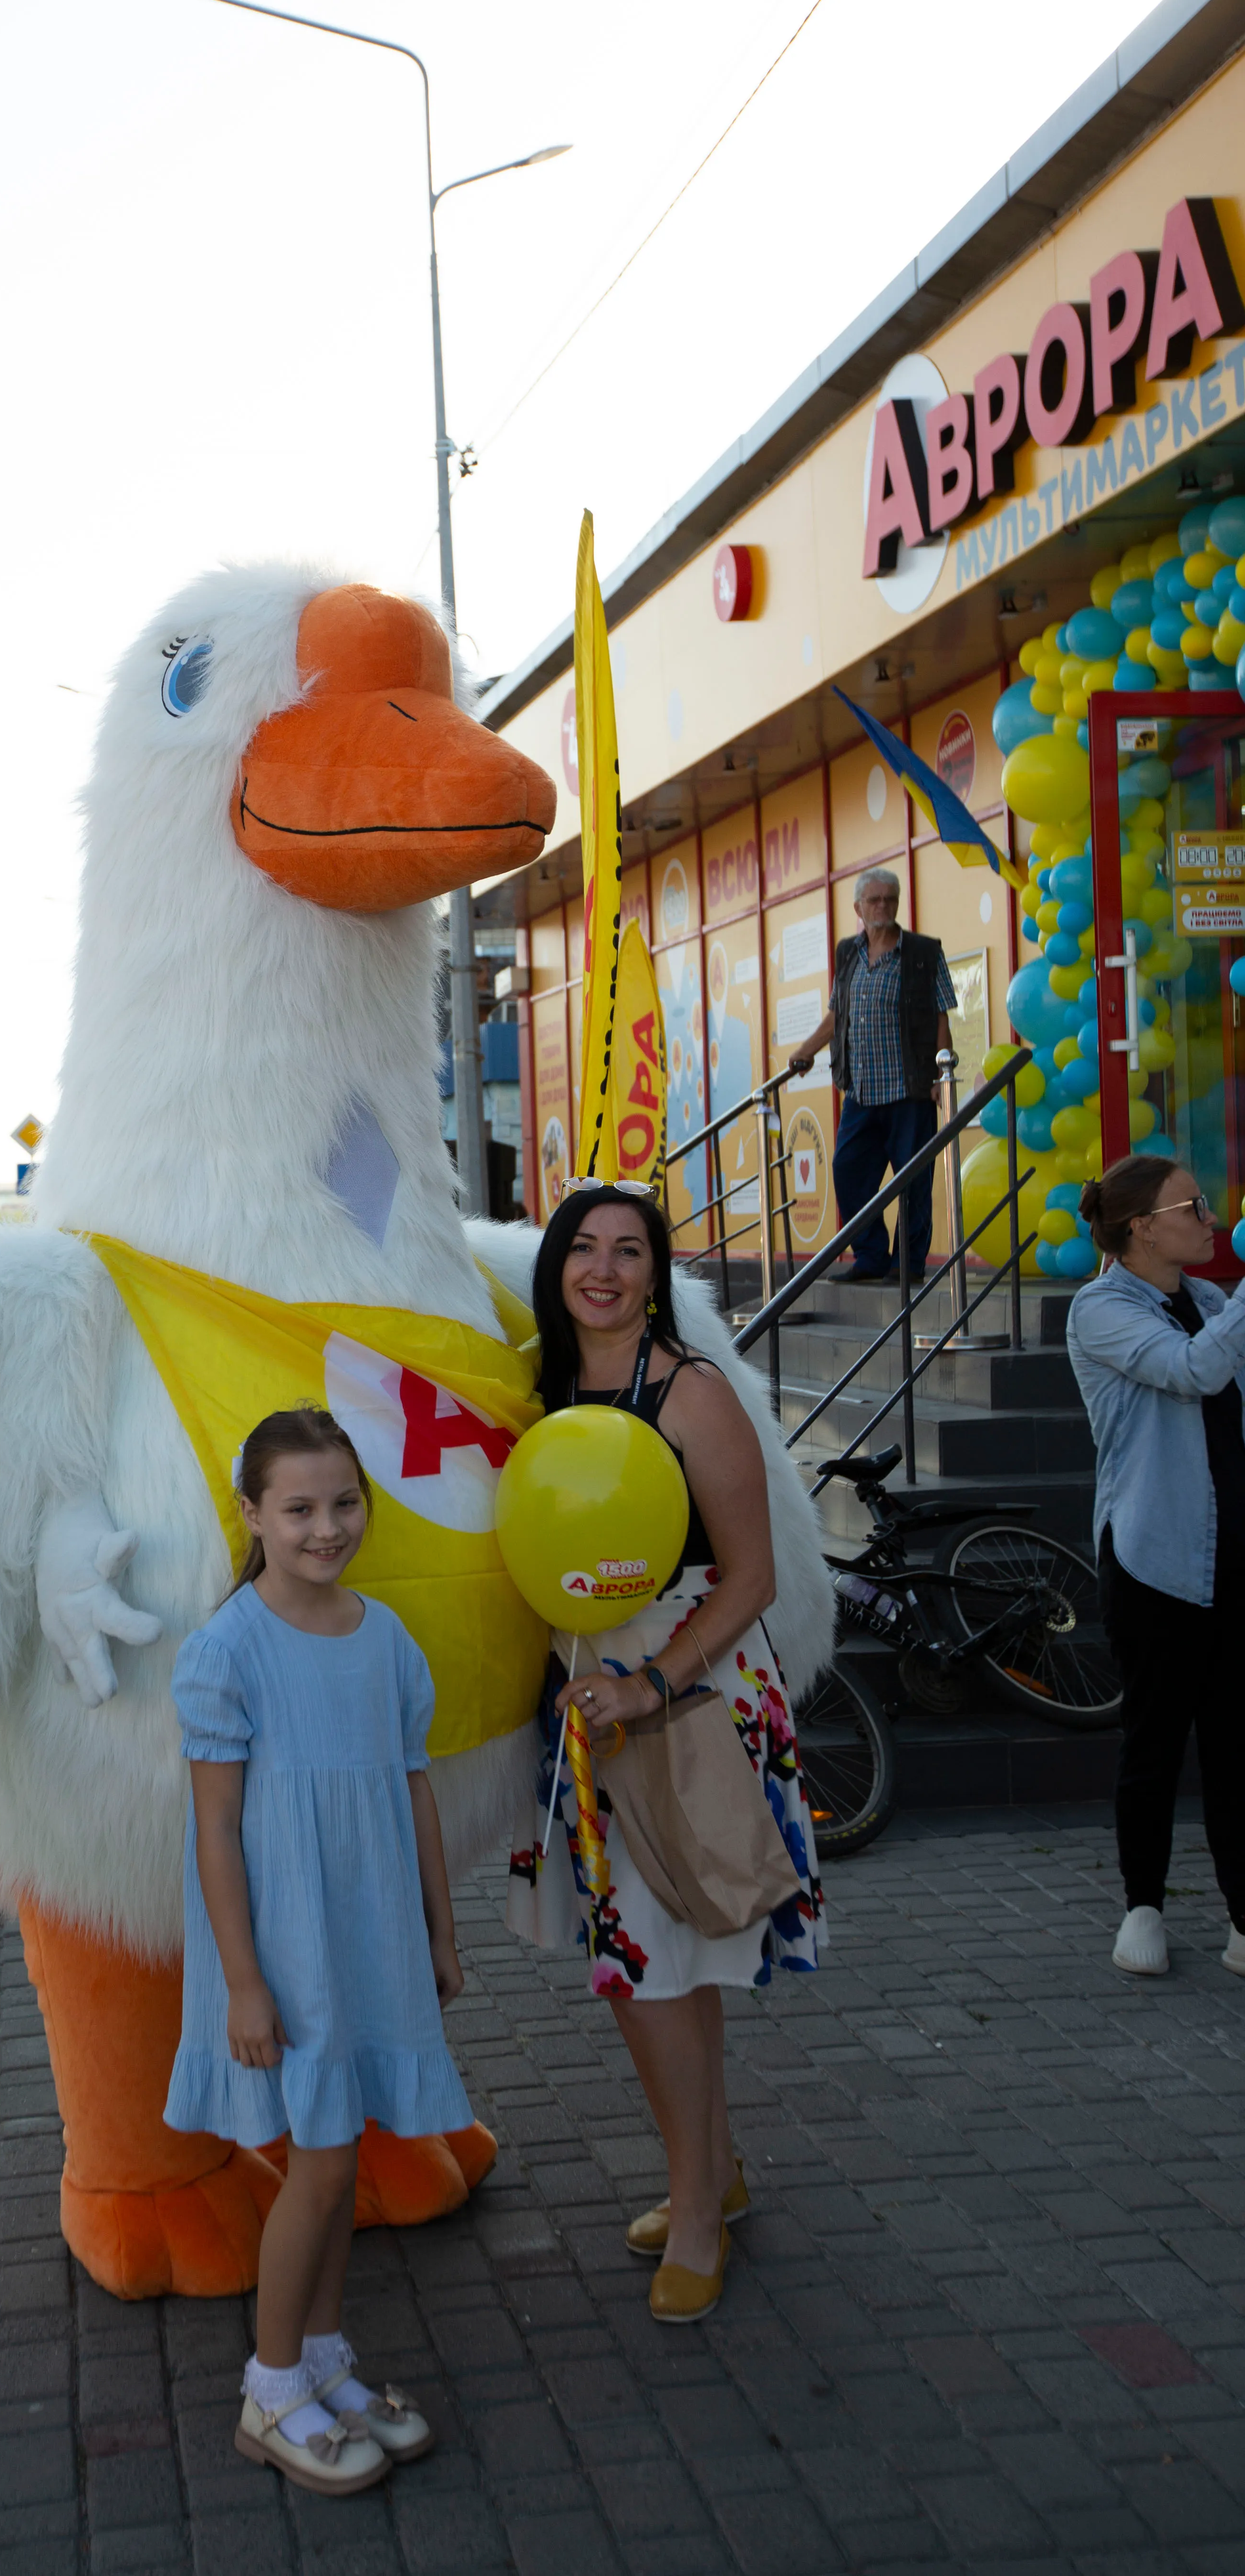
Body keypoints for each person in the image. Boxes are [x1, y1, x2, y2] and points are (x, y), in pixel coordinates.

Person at [505, 1185, 823, 2325]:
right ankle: (711, 2170)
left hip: (681, 1701)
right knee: (636, 1968)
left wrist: (649, 1683)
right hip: (581, 1709)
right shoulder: (536, 1388)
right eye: (581, 1248)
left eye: (626, 1249)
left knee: (659, 1962)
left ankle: (698, 2209)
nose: (601, 1267)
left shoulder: (690, 1390)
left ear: (654, 1270)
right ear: (555, 1266)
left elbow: (751, 1577)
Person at [164, 1406, 467, 2497]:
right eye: (297, 1507)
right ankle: (270, 2382)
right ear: (251, 1512)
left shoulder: (383, 1635)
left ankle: (324, 2351)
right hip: (285, 1950)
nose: (325, 1526)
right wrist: (244, 1980)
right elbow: (211, 1829)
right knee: (325, 2157)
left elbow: (412, 1786)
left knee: (345, 2154)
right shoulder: (226, 1648)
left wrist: (436, 1926)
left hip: (371, 1933)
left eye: (344, 1502)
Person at [1066, 1157, 1245, 1981]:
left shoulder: (1210, 1302)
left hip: (1233, 1554)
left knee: (1237, 1748)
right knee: (1155, 1743)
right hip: (1156, 1560)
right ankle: (1143, 1906)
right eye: (1194, 1206)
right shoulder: (1100, 1309)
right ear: (1144, 1227)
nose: (1211, 1218)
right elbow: (1193, 1371)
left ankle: (1244, 1921)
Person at [789, 868, 956, 1283]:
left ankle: (908, 1266)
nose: (883, 906)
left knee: (913, 1183)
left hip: (910, 1089)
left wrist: (941, 1074)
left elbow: (941, 1017)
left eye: (890, 899)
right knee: (848, 1171)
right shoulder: (848, 953)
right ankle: (870, 1258)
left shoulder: (922, 952)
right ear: (858, 908)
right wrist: (807, 1050)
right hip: (861, 1091)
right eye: (875, 900)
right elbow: (836, 1014)